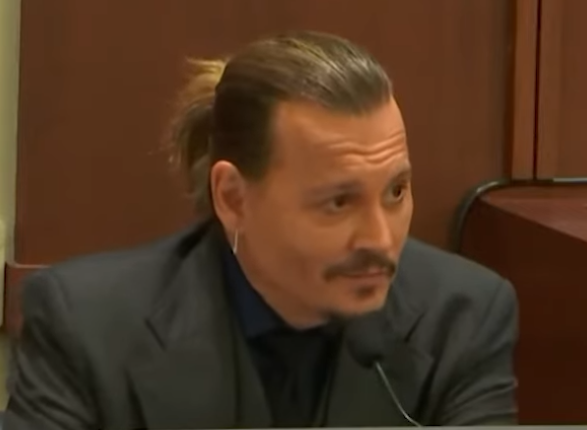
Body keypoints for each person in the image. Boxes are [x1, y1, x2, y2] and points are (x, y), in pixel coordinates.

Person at [5, 31, 518, 430]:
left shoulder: (462, 316)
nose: (381, 241)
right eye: (338, 202)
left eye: (396, 192)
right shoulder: (88, 327)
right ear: (233, 198)